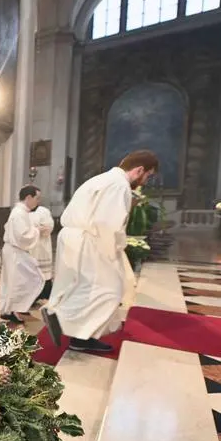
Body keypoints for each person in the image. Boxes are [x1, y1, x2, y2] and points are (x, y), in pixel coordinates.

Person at [42, 150, 158, 353]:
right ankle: (62, 318)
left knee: (82, 286)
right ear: (139, 169)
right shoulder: (118, 185)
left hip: (75, 237)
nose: (145, 181)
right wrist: (116, 249)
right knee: (109, 289)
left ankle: (80, 335)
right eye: (147, 175)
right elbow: (107, 224)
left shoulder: (102, 179)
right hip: (92, 240)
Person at [0, 186, 47, 324]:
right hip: (15, 251)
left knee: (14, 281)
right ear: (28, 198)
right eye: (37, 198)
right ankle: (13, 310)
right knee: (24, 280)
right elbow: (22, 235)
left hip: (14, 250)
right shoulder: (19, 213)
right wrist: (37, 230)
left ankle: (9, 310)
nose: (38, 202)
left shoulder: (20, 212)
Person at [30, 202, 55, 301]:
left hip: (42, 246)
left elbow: (49, 227)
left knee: (43, 274)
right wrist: (36, 229)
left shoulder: (43, 211)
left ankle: (43, 294)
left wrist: (33, 230)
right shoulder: (20, 212)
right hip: (28, 247)